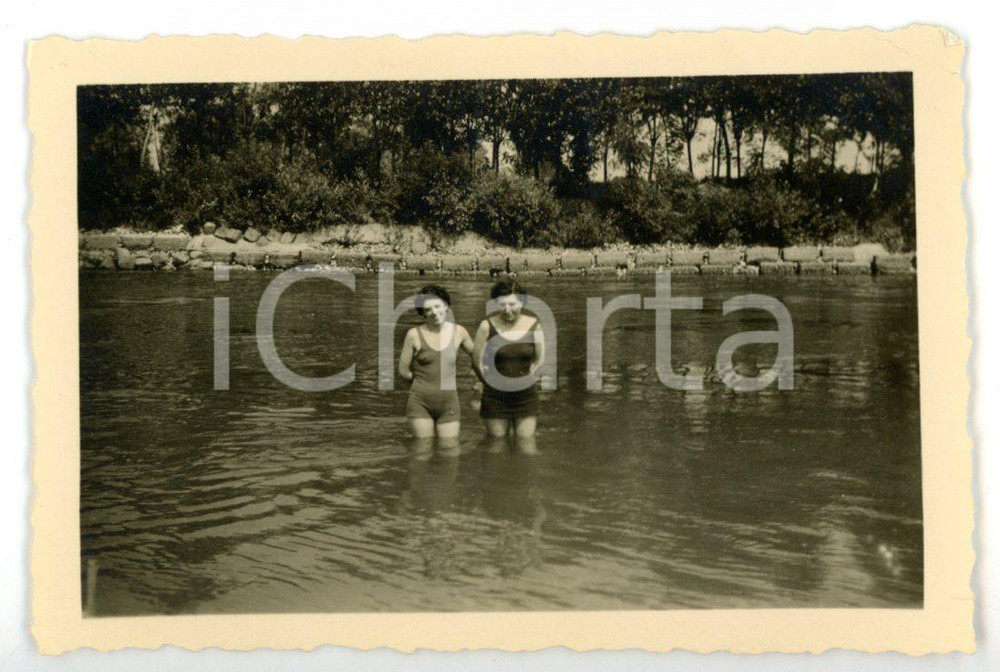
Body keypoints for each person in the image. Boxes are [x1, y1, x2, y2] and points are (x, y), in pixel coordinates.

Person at [398, 285, 474, 443]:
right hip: (420, 403)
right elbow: (403, 371)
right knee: (421, 452)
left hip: (449, 403)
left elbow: (478, 356)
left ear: (446, 305)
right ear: (423, 313)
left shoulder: (459, 332)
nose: (434, 312)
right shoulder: (413, 335)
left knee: (450, 451)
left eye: (437, 306)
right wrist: (422, 383)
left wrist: (477, 376)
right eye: (428, 309)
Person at [473, 279, 545, 439]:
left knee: (526, 446)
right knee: (496, 446)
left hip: (525, 397)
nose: (507, 309)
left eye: (512, 304)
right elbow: (476, 362)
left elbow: (540, 360)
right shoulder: (486, 326)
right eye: (502, 304)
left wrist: (530, 379)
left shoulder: (534, 325)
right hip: (495, 397)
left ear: (522, 302)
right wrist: (489, 384)